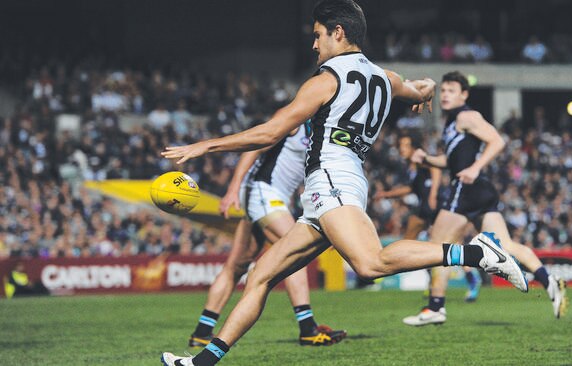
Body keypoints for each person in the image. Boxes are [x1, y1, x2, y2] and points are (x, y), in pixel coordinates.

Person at [160, 2, 527, 364]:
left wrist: (206, 145)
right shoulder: (387, 78)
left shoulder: (325, 80)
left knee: (370, 265)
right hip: (341, 182)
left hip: (331, 179)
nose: (314, 45)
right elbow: (419, 89)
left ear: (339, 32)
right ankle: (201, 362)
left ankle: (477, 254)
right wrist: (428, 89)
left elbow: (271, 131)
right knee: (260, 274)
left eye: (318, 35)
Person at [402, 71, 567, 327]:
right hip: (479, 189)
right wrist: (427, 159)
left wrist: (476, 167)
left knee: (438, 245)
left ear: (464, 94)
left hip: (466, 187)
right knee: (507, 246)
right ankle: (549, 281)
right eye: (443, 90)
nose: (445, 95)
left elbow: (497, 141)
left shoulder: (467, 115)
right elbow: (451, 161)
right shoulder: (453, 121)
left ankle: (436, 306)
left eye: (451, 90)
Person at [188, 120, 346, 348]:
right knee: (294, 252)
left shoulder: (321, 129)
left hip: (266, 197)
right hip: (263, 192)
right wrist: (233, 190)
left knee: (237, 265)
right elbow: (253, 149)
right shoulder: (295, 120)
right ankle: (308, 328)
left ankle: (202, 331)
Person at [374, 133, 481, 303]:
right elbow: (411, 188)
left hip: (437, 204)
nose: (402, 149)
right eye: (401, 145)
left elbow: (436, 169)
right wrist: (387, 194)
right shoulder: (410, 166)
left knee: (447, 244)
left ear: (414, 147)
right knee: (414, 241)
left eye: (405, 145)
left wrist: (432, 193)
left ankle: (471, 278)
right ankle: (386, 267)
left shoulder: (420, 157)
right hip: (425, 208)